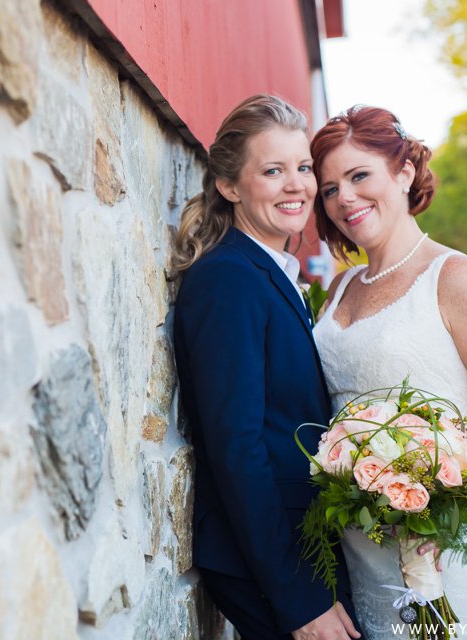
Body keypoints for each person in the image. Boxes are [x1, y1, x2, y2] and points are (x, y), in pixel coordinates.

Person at [310, 105, 467, 639]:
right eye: (329, 189)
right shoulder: (341, 288)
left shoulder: (455, 278)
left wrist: (441, 505)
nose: (344, 198)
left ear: (402, 172)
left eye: (358, 176)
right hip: (363, 546)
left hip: (448, 545)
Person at [172, 94, 361, 640]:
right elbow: (238, 448)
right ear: (230, 186)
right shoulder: (228, 279)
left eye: (302, 168)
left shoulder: (270, 269)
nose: (296, 185)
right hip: (270, 566)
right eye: (272, 170)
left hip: (302, 547)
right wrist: (300, 599)